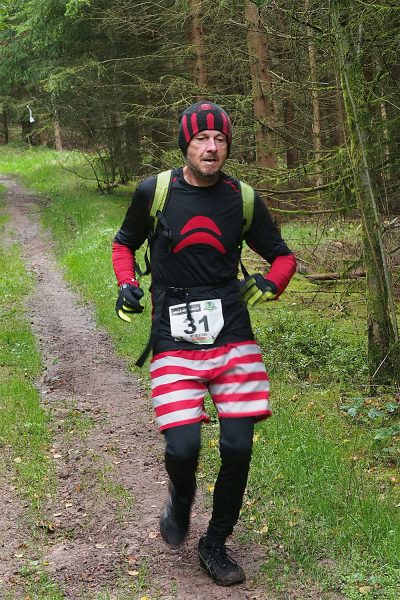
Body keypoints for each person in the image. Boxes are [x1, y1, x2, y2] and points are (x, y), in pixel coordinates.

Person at [112, 101, 296, 587]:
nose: (211, 147)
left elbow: (282, 256)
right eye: (201, 139)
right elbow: (123, 243)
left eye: (220, 140)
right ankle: (181, 493)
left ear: (228, 146)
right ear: (186, 144)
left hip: (232, 331)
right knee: (183, 445)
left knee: (238, 446)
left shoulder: (244, 198)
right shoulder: (155, 191)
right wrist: (126, 284)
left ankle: (214, 542)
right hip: (173, 332)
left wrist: (273, 282)